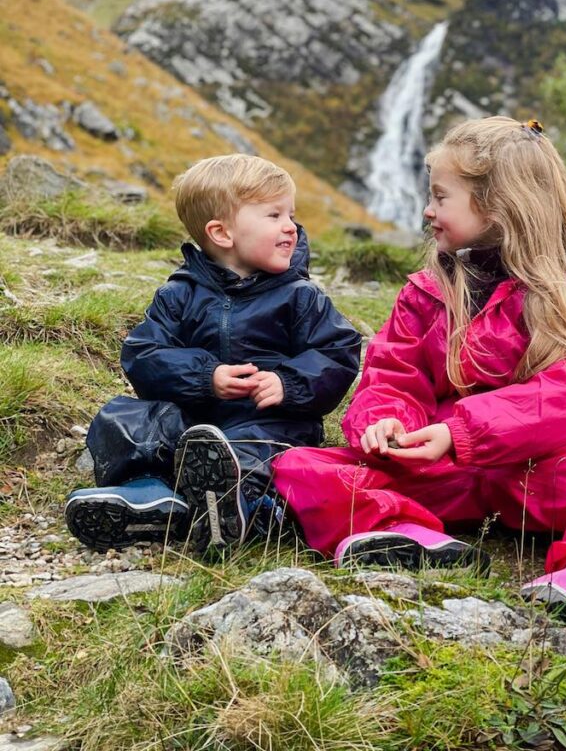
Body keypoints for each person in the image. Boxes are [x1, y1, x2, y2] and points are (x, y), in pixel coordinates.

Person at [272, 117, 566, 671]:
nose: (428, 210)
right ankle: (407, 537)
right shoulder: (428, 292)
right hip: (449, 475)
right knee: (301, 465)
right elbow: (392, 376)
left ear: (497, 207)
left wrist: (459, 431)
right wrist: (385, 422)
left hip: (542, 476)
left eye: (441, 197)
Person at [65, 154, 361, 553]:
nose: (290, 227)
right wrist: (206, 377)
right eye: (274, 215)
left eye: (291, 214)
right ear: (222, 234)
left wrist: (287, 382)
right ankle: (148, 493)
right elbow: (143, 354)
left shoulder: (300, 296)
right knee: (126, 416)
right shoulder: (179, 294)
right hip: (192, 421)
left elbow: (337, 351)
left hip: (268, 422)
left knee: (266, 453)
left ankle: (237, 508)